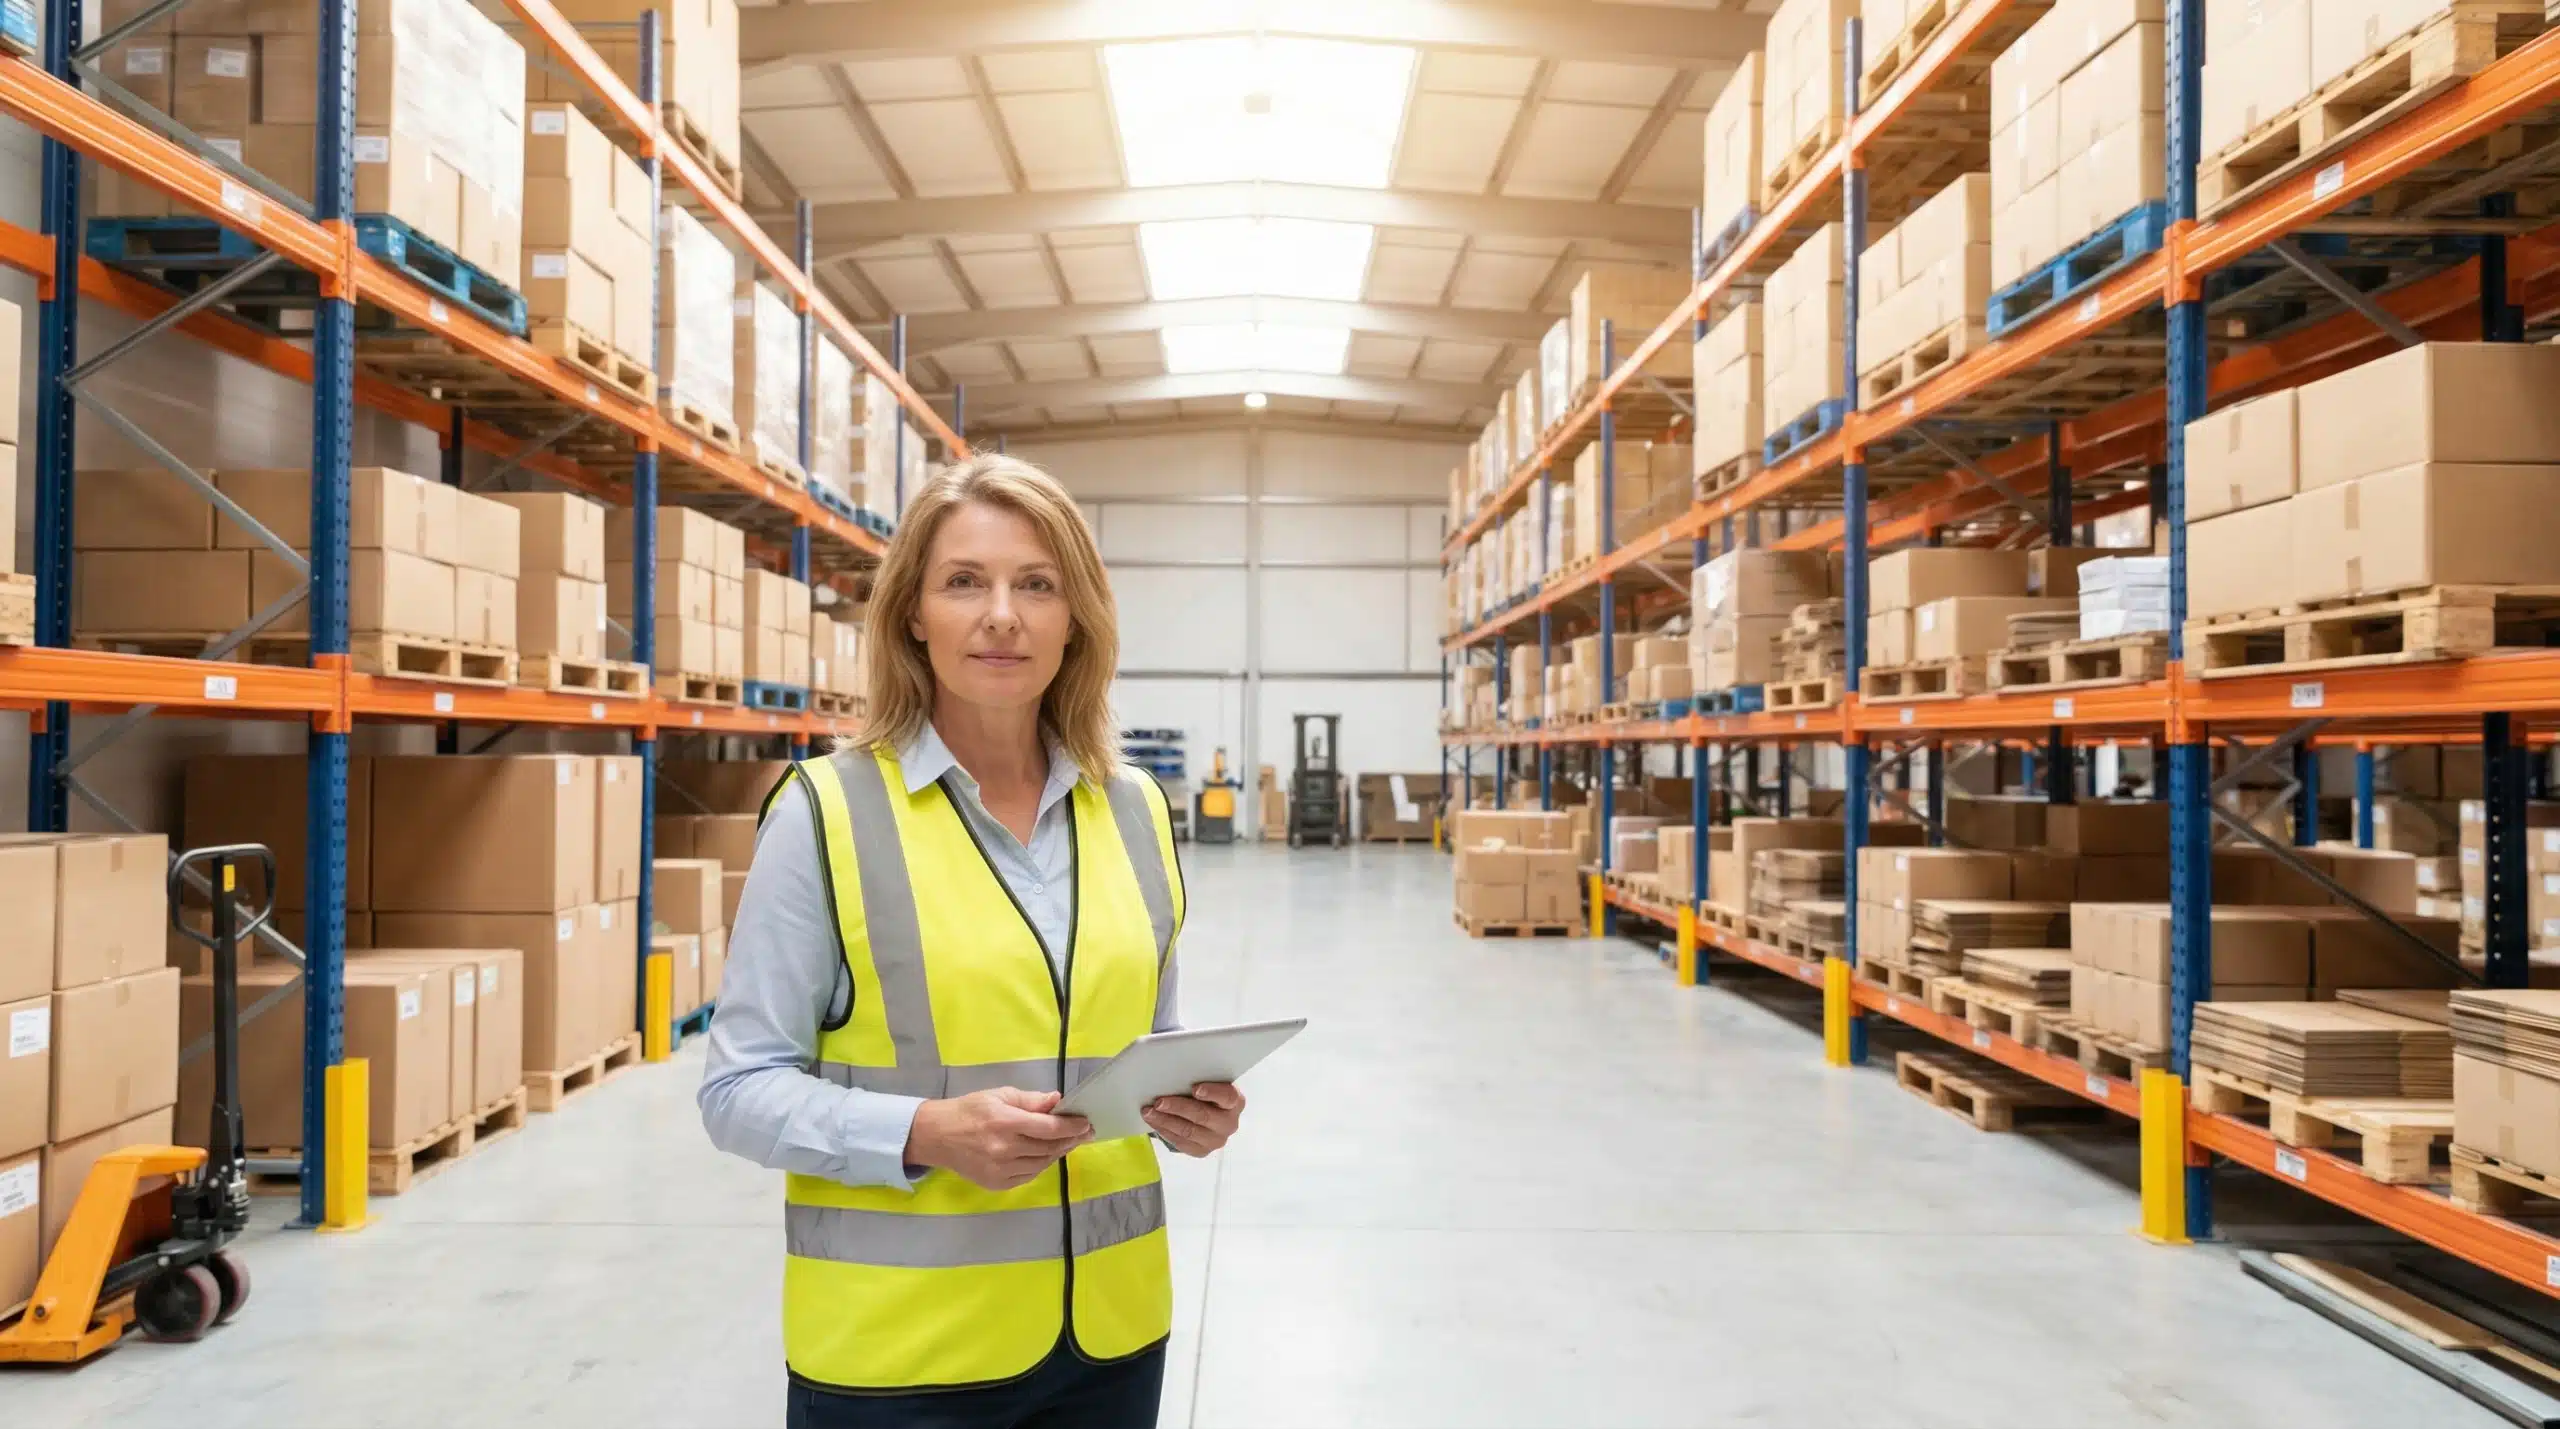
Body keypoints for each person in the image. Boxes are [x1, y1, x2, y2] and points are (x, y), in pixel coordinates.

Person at [701, 454, 1247, 1428]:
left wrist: (1183, 1107)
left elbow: (1138, 1041)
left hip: (1111, 1341)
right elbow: (736, 1091)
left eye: (1037, 584)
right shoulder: (828, 814)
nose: (1003, 614)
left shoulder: (1135, 813)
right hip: (903, 1356)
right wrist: (924, 1131)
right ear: (912, 612)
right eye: (965, 581)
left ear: (1076, 614)